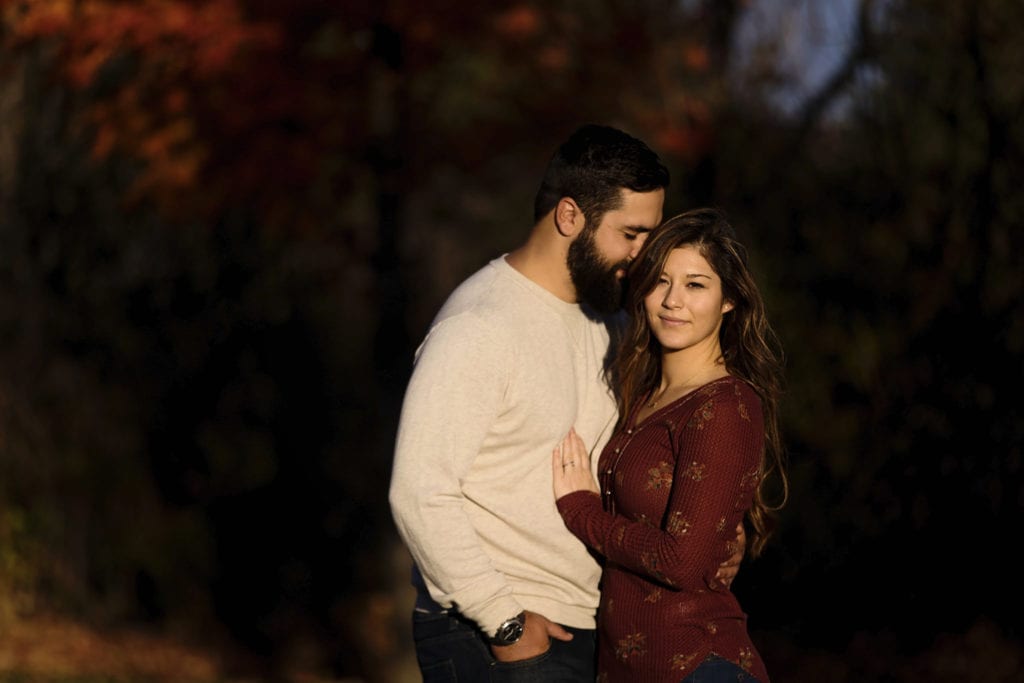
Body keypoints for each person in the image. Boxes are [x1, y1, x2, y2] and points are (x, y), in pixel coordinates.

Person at [388, 125, 744, 681]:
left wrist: (713, 529)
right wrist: (502, 622)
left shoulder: (616, 325)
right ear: (570, 216)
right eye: (632, 232)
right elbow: (418, 490)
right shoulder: (478, 326)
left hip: (593, 626)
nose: (643, 253)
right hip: (499, 631)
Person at [552, 207, 787, 683]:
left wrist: (582, 512)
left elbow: (681, 561)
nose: (672, 301)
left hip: (698, 663)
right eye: (661, 281)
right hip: (626, 665)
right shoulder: (643, 394)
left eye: (696, 284)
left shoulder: (724, 406)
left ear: (729, 301)